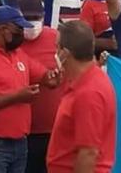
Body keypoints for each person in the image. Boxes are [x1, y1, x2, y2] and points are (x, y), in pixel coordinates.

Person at [0, 6, 60, 173]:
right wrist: (16, 97)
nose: (22, 33)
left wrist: (52, 78)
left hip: (20, 142)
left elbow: (43, 76)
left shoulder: (18, 54)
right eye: (18, 28)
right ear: (2, 29)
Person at [47, 21, 117, 173]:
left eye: (56, 46)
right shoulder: (88, 79)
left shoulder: (89, 93)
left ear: (64, 53)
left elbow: (88, 153)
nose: (54, 51)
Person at [17, 0, 65, 173]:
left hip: (55, 128)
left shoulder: (56, 38)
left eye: (36, 18)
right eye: (26, 18)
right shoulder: (11, 43)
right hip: (25, 132)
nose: (32, 23)